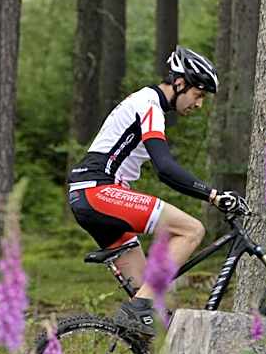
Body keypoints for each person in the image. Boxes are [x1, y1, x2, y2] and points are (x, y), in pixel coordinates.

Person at [67, 46, 244, 337]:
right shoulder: (149, 103)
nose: (199, 104)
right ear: (179, 83)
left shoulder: (147, 103)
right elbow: (165, 169)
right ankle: (140, 312)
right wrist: (214, 195)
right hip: (98, 192)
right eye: (198, 95)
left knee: (151, 310)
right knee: (191, 231)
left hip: (89, 197)